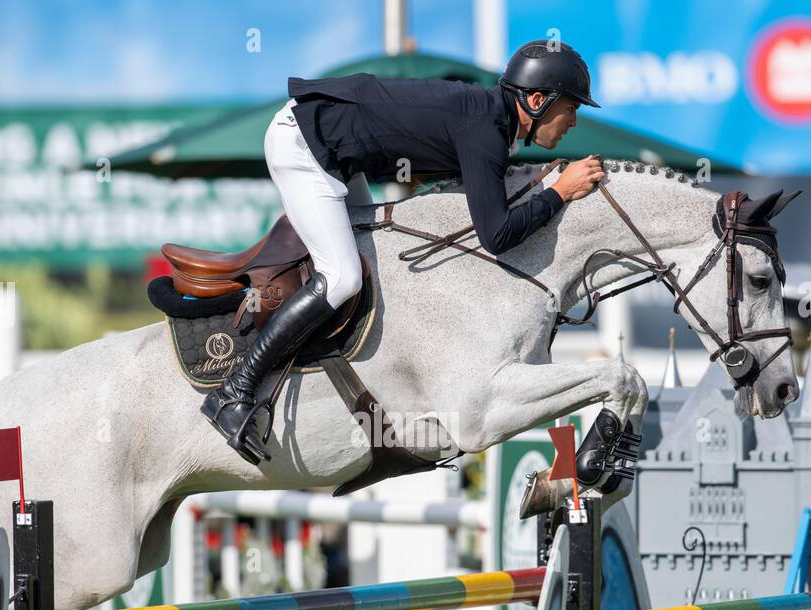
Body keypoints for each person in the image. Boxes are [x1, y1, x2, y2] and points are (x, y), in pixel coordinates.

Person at [202, 40, 607, 465]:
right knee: (343, 277)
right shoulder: (486, 129)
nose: (574, 122)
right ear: (538, 100)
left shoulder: (490, 121)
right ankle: (235, 391)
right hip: (305, 146)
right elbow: (498, 235)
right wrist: (559, 193)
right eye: (572, 108)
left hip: (335, 152)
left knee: (373, 260)